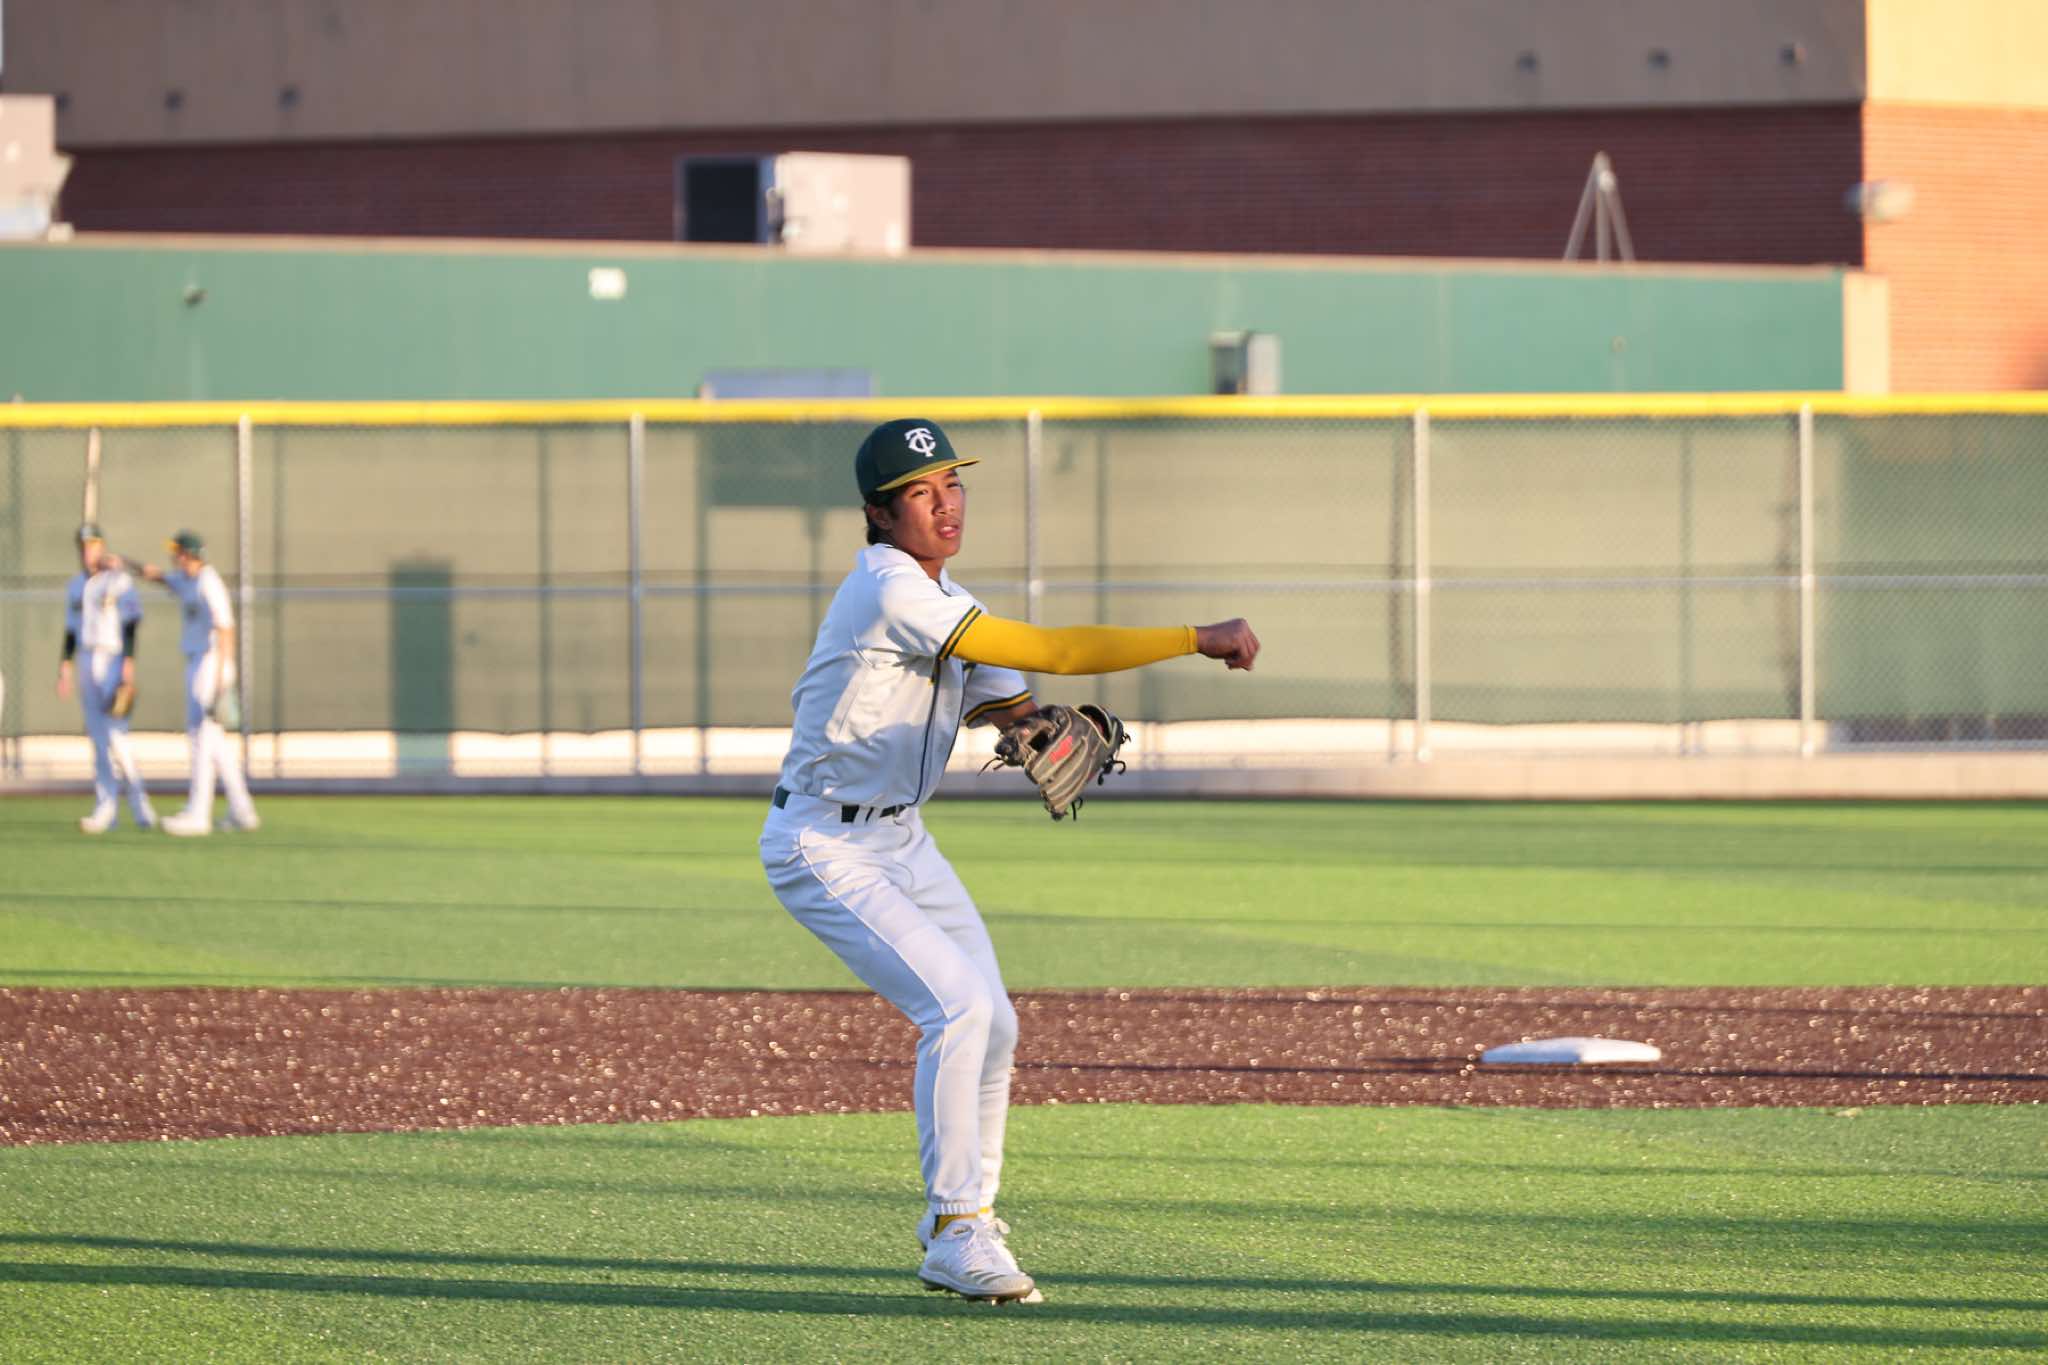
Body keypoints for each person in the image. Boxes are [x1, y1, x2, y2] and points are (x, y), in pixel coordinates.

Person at [759, 418, 1259, 1303]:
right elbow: (1057, 650)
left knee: (994, 1020)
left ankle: (969, 1220)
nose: (945, 503)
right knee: (956, 1007)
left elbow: (1012, 700)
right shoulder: (889, 590)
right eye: (921, 492)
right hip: (825, 844)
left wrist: (1034, 727)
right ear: (879, 513)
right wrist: (1195, 635)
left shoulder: (947, 598)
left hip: (901, 837)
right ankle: (955, 1227)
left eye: (953, 483)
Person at [129, 530, 259, 836]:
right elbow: (157, 576)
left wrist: (223, 678)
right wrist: (123, 562)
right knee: (216, 742)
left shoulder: (208, 582)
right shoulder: (187, 579)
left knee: (200, 736)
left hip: (211, 662)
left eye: (177, 553)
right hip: (199, 661)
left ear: (188, 555)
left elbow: (226, 628)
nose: (173, 557)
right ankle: (242, 810)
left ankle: (198, 813)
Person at [57, 523, 156, 833]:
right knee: (98, 738)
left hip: (112, 658)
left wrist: (128, 663)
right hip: (86, 658)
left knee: (116, 735)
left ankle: (141, 805)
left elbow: (131, 623)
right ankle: (106, 808)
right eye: (84, 546)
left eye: (93, 545)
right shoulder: (76, 585)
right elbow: (71, 629)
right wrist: (65, 665)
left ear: (101, 547)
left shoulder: (117, 580)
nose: (88, 552)